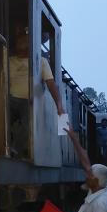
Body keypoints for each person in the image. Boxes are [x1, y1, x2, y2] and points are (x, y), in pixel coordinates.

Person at [7, 27, 65, 158]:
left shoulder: (41, 62)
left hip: (29, 101)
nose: (22, 40)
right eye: (20, 38)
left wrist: (60, 107)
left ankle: (16, 149)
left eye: (26, 38)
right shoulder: (8, 61)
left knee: (29, 119)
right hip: (10, 99)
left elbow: (51, 84)